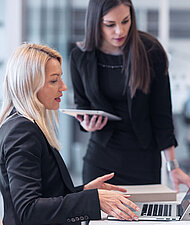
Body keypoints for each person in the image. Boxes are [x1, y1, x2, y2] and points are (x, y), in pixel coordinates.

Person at [0, 43, 140, 224]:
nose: (63, 87)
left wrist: (85, 191)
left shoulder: (23, 125)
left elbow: (46, 195)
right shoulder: (21, 132)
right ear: (30, 84)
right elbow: (28, 210)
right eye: (53, 80)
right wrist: (93, 200)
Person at [70, 0, 190, 190]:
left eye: (125, 21)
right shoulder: (80, 56)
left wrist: (172, 166)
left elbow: (162, 115)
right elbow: (81, 104)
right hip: (100, 161)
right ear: (95, 22)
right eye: (110, 24)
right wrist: (86, 124)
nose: (120, 31)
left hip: (143, 162)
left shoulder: (150, 50)